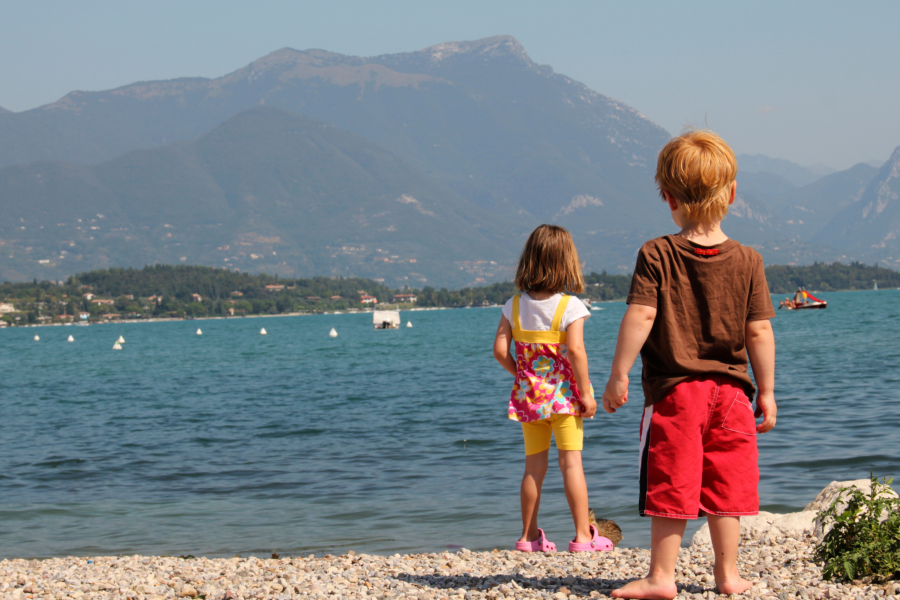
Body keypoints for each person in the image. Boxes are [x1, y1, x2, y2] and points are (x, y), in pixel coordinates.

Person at [601, 131, 777, 599]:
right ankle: (729, 577)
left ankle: (662, 578)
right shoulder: (749, 260)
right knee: (727, 486)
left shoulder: (657, 253)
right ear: (733, 194)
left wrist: (618, 374)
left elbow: (641, 315)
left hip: (677, 393)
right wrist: (769, 391)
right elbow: (759, 330)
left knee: (671, 481)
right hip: (736, 395)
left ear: (668, 197)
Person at [493, 224, 612, 553]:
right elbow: (575, 351)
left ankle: (528, 537)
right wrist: (586, 393)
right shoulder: (570, 307)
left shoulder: (513, 305)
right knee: (571, 463)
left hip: (530, 401)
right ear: (566, 263)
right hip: (564, 401)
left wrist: (524, 376)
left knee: (533, 467)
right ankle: (583, 538)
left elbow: (500, 350)